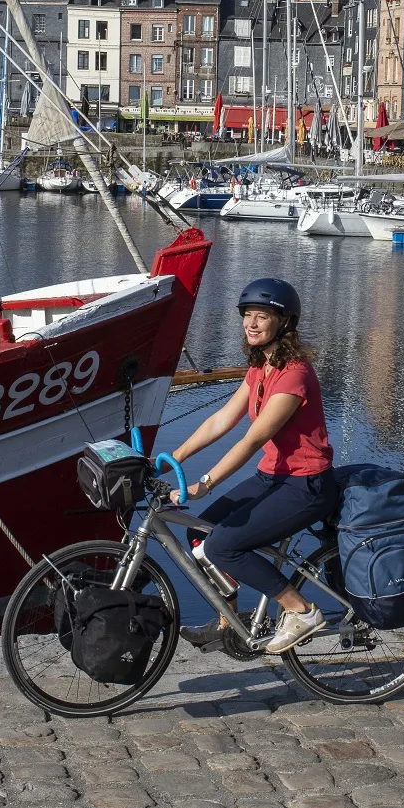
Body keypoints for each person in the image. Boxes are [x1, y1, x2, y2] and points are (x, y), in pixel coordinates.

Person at [164, 278, 337, 654]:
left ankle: (302, 610)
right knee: (199, 532)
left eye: (262, 316)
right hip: (272, 476)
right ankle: (231, 622)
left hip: (305, 485)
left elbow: (252, 439)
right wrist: (169, 460)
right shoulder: (261, 366)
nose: (251, 324)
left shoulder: (294, 375)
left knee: (223, 546)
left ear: (285, 323)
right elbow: (221, 421)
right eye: (247, 316)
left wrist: (204, 484)